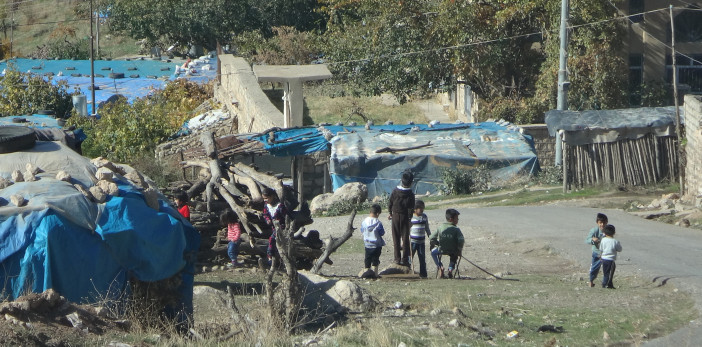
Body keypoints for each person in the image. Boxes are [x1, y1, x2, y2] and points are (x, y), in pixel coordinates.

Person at [388, 170, 415, 265]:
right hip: (405, 217)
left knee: (396, 238)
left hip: (395, 215)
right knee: (405, 238)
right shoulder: (410, 194)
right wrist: (410, 218)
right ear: (411, 182)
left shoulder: (395, 191)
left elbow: (390, 202)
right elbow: (411, 208)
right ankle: (405, 259)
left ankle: (397, 259)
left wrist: (390, 213)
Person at [429, 208, 464, 279]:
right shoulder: (456, 229)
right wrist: (459, 249)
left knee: (433, 253)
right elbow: (461, 240)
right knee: (454, 256)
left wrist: (437, 243)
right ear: (451, 219)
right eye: (457, 218)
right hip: (453, 250)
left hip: (442, 249)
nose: (458, 220)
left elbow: (431, 237)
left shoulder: (441, 227)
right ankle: (450, 269)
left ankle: (440, 266)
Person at [262, 188, 287, 264]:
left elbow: (286, 217)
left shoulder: (280, 206)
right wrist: (268, 219)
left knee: (272, 239)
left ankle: (270, 256)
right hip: (274, 227)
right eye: (264, 198)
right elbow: (265, 214)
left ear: (272, 196)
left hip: (281, 228)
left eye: (266, 198)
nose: (265, 200)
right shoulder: (267, 206)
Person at [361, 204, 386, 277]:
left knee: (367, 258)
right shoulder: (378, 223)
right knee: (375, 259)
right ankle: (375, 273)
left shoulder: (364, 222)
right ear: (378, 213)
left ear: (370, 211)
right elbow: (382, 233)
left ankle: (366, 272)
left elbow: (362, 230)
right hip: (376, 245)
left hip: (367, 244)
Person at [585, 213, 608, 287]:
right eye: (600, 223)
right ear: (597, 223)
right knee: (594, 268)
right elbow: (587, 240)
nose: (602, 224)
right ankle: (591, 281)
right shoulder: (594, 230)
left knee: (607, 268)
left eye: (604, 222)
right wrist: (592, 240)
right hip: (597, 252)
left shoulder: (608, 230)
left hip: (606, 253)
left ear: (606, 222)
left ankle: (605, 283)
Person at [409, 200, 431, 278]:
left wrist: (430, 237)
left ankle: (423, 274)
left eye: (423, 208)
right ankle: (408, 271)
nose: (422, 210)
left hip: (421, 242)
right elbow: (408, 228)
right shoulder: (411, 217)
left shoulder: (424, 217)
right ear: (415, 209)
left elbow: (427, 228)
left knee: (422, 258)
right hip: (413, 242)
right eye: (420, 208)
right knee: (410, 257)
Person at [599, 224, 622, 289]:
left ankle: (609, 283)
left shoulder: (603, 240)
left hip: (603, 259)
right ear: (614, 233)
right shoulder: (615, 241)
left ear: (605, 233)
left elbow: (601, 249)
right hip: (611, 260)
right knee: (610, 272)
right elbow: (620, 249)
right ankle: (605, 284)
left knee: (605, 272)